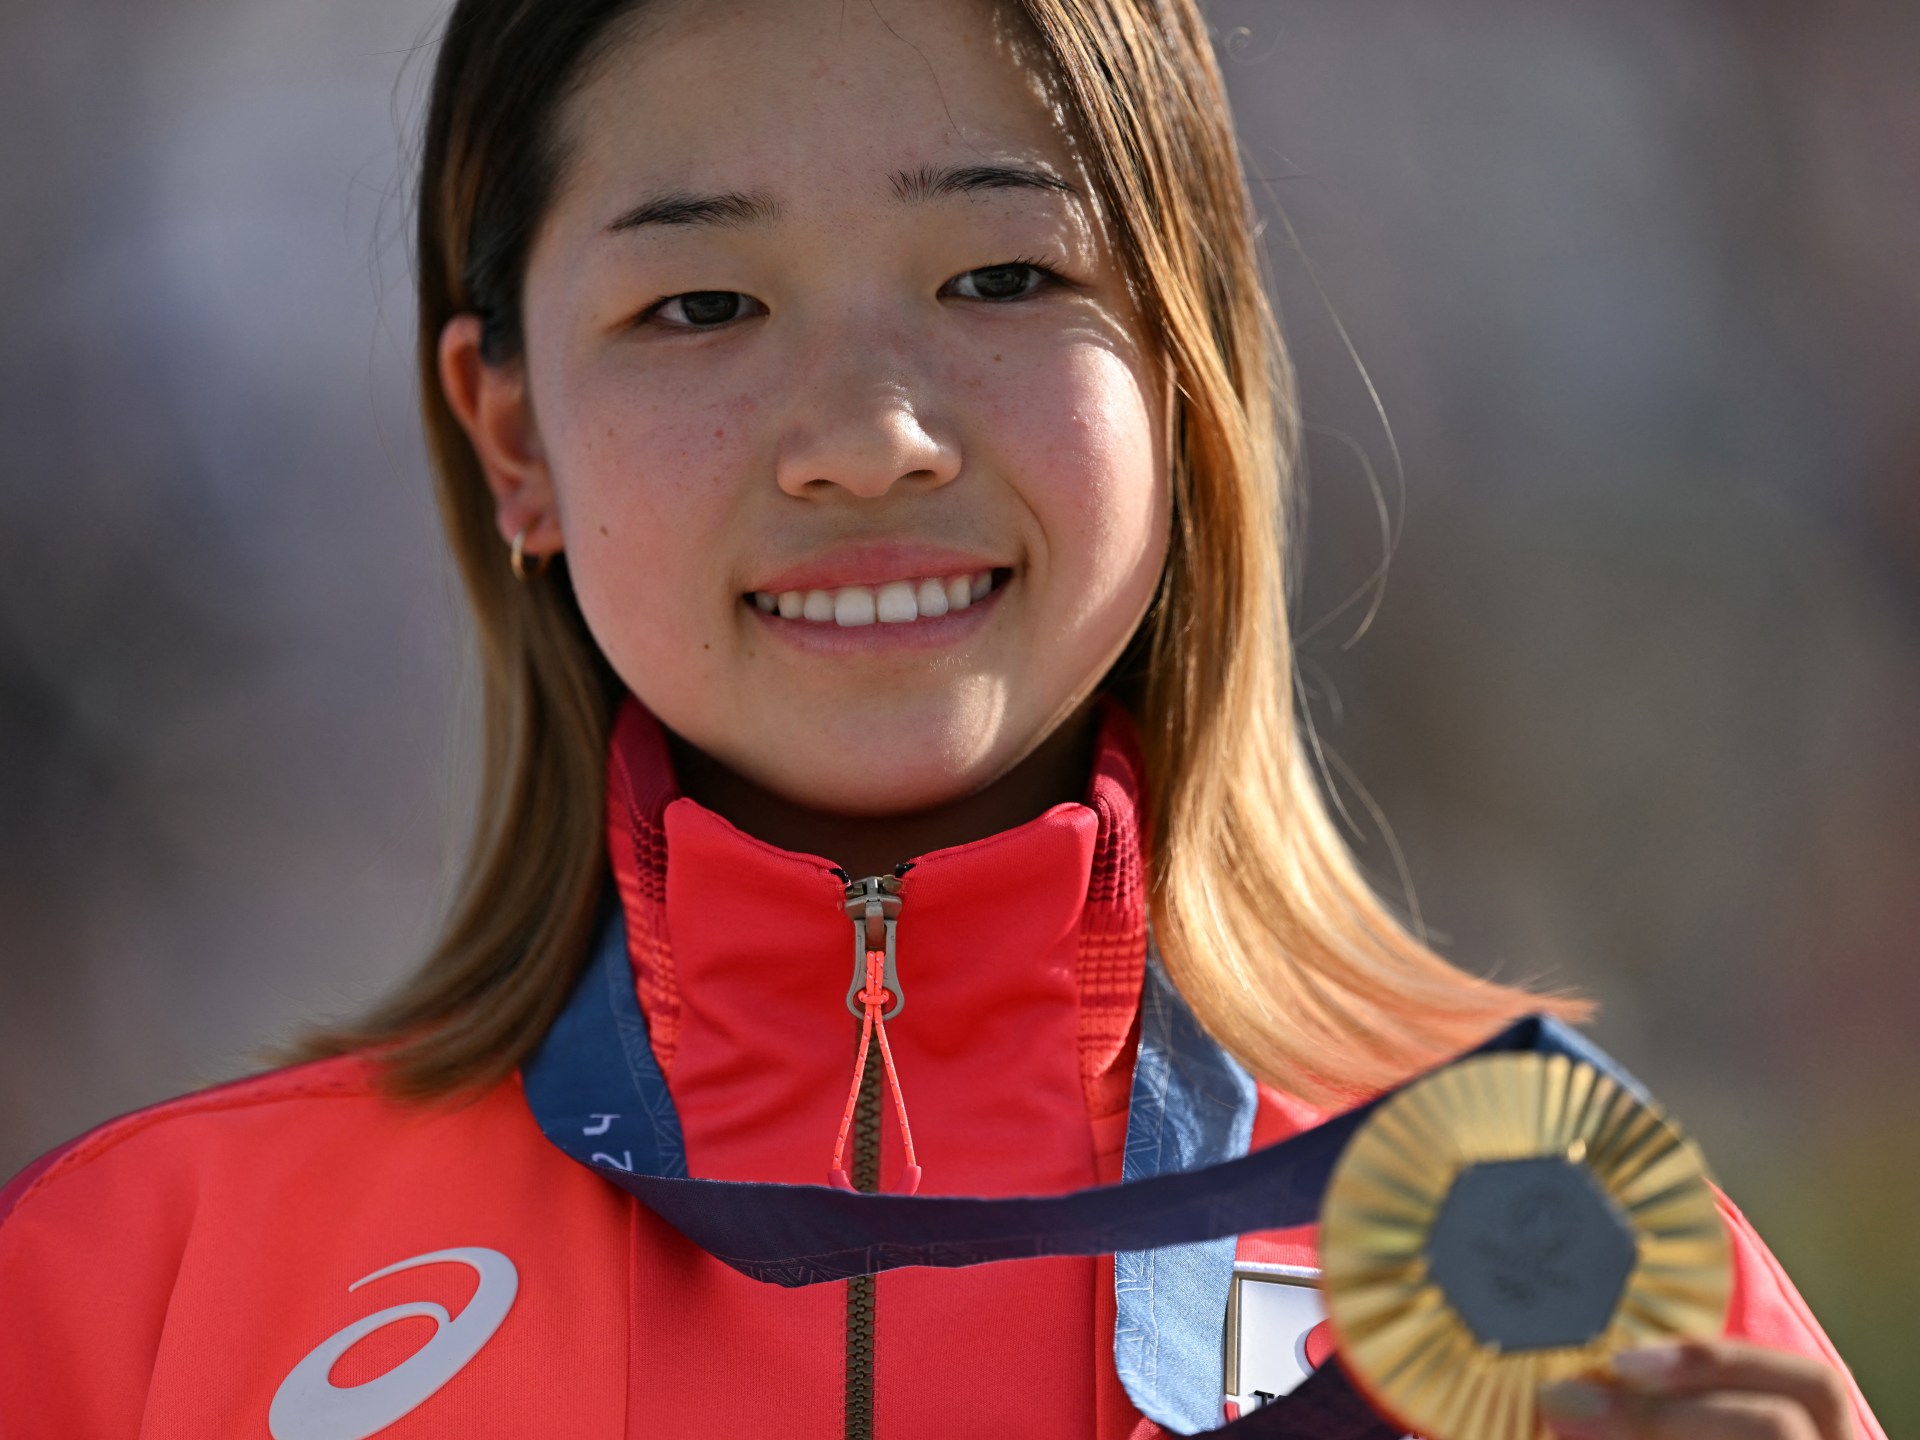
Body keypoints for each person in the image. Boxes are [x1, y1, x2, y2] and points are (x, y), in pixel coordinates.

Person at [0, 2, 1884, 1437]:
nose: (871, 437)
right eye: (703, 305)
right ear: (513, 436)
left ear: (1185, 359)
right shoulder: (149, 1288)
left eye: (1002, 278)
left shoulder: (1539, 1229)